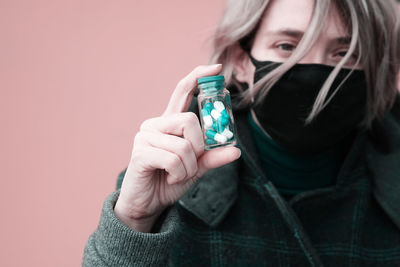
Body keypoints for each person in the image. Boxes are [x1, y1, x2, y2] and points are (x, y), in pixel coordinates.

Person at [83, 0, 400, 266]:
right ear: (240, 58)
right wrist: (135, 220)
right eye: (287, 46)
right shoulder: (168, 176)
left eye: (347, 53)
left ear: (374, 68)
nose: (314, 72)